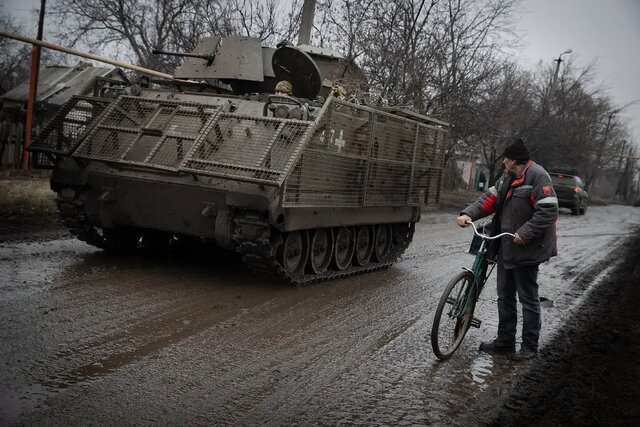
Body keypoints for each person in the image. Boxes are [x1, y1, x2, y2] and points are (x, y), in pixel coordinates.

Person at [456, 138, 558, 361]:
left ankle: (529, 347)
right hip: (507, 245)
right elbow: (490, 199)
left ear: (514, 160)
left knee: (527, 298)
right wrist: (468, 214)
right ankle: (505, 342)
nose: (503, 162)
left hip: (527, 248)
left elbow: (548, 211)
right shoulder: (507, 177)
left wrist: (525, 232)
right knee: (504, 295)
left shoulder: (538, 177)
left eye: (505, 159)